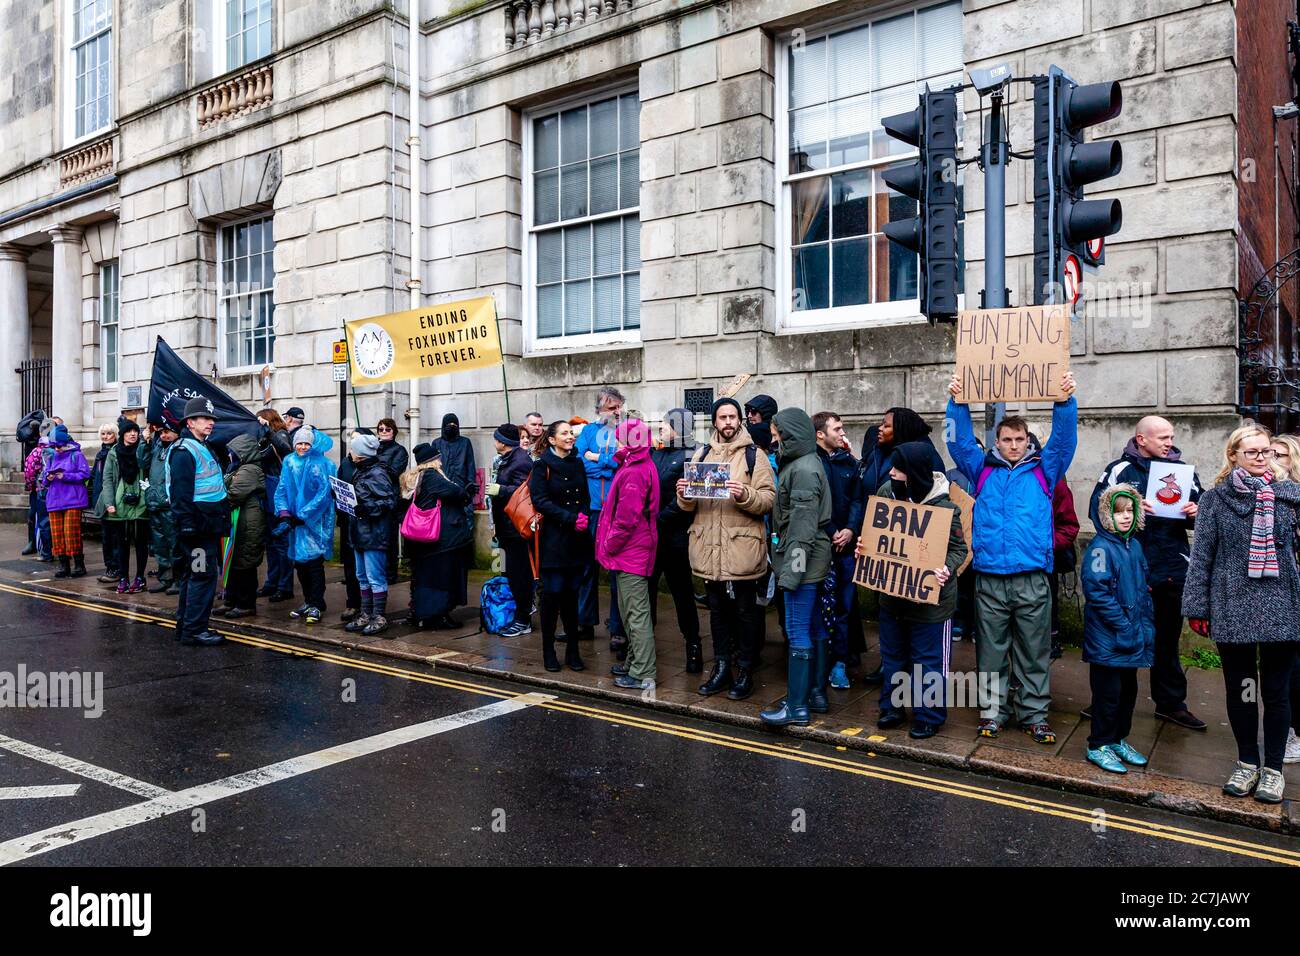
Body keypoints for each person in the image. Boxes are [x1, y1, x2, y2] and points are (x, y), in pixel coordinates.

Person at [946, 371, 1078, 744]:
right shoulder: (982, 468)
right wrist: (957, 403)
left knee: (1034, 651)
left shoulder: (1045, 471)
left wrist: (1065, 401)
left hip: (1032, 576)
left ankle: (1035, 714)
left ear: (1028, 441)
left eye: (1020, 439)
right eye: (1007, 439)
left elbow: (1064, 441)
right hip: (989, 577)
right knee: (990, 651)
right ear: (998, 442)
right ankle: (993, 711)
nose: (1014, 445)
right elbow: (958, 446)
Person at [1183, 424, 1300, 804]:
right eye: (1252, 452)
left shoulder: (1291, 496)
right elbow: (1201, 557)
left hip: (1282, 604)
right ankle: (1247, 761)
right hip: (1232, 604)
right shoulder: (1215, 500)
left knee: (1277, 692)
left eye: (1266, 451)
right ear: (1233, 455)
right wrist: (1198, 607)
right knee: (1243, 689)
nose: (1261, 458)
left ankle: (1274, 771)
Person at [1089, 416, 1206, 730]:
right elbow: (1097, 513)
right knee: (1118, 638)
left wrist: (1197, 512)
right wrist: (1129, 505)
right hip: (1128, 572)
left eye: (1171, 437)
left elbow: (1204, 512)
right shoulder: (1119, 470)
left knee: (1166, 643)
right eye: (1163, 438)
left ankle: (1170, 704)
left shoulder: (1183, 471)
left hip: (1170, 569)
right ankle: (1106, 703)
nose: (1170, 443)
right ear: (1141, 439)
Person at [679, 397, 776, 700]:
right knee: (717, 612)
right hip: (708, 548)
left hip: (741, 548)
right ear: (715, 421)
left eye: (733, 417)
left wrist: (745, 493)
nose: (729, 422)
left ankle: (745, 669)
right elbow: (689, 506)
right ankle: (721, 668)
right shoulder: (701, 454)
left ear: (740, 420)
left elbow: (768, 499)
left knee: (747, 612)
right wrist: (684, 494)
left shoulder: (754, 455)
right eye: (723, 417)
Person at [872, 441, 968, 737]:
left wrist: (947, 568)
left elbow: (959, 549)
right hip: (892, 597)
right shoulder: (887, 493)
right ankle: (892, 707)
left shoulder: (946, 507)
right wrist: (867, 546)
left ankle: (929, 715)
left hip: (932, 604)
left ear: (913, 473)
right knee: (893, 655)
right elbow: (877, 536)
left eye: (897, 468)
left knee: (928, 661)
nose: (891, 473)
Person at [761, 408, 833, 726]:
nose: (773, 438)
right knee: (815, 627)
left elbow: (802, 532)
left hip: (801, 560)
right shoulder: (803, 462)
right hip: (810, 558)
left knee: (797, 630)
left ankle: (796, 707)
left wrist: (791, 574)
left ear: (790, 435)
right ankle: (815, 694)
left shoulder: (802, 469)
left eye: (777, 433)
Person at [1080, 483, 1155, 774]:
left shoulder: (1133, 545)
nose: (1125, 516)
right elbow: (1098, 593)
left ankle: (1116, 739)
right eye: (1119, 511)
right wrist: (1124, 624)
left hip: (1132, 635)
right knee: (1107, 694)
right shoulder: (1101, 548)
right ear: (1106, 514)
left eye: (1130, 510)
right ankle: (1098, 744)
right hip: (1109, 637)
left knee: (1127, 691)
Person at [599, 419, 660, 691]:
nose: (615, 442)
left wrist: (610, 545)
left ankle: (643, 672)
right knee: (628, 612)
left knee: (636, 614)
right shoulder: (633, 464)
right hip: (631, 549)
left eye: (620, 438)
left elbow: (626, 518)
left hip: (630, 550)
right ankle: (635, 663)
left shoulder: (636, 471)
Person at [165, 397, 232, 646]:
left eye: (212, 419)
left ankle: (186, 626)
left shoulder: (203, 446)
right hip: (196, 530)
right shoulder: (185, 451)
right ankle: (194, 630)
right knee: (202, 576)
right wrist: (188, 526)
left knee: (193, 576)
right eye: (205, 418)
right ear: (190, 422)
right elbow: (180, 495)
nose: (211, 423)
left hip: (205, 527)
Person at [529, 421, 591, 672]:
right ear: (552, 440)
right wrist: (570, 519)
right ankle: (548, 651)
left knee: (571, 596)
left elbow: (585, 496)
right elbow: (540, 501)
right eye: (564, 433)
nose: (570, 437)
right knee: (552, 597)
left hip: (577, 540)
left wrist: (584, 516)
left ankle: (573, 651)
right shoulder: (541, 466)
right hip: (553, 541)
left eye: (571, 433)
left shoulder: (577, 463)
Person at [648, 408, 702, 673]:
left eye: (664, 426)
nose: (659, 430)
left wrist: (657, 519)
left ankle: (694, 648)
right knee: (646, 594)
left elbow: (688, 499)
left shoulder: (694, 455)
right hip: (650, 539)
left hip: (676, 536)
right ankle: (643, 649)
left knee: (682, 595)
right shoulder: (655, 453)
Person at [813, 411, 862, 691]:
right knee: (819, 608)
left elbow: (857, 499)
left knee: (843, 608)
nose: (842, 433)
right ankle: (818, 663)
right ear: (821, 434)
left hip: (846, 547)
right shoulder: (810, 462)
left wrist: (851, 530)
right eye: (837, 428)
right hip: (821, 546)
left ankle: (840, 664)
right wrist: (832, 530)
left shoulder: (848, 462)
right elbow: (814, 503)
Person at [575, 387, 626, 650]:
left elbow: (625, 462)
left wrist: (600, 460)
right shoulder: (587, 432)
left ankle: (618, 628)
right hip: (593, 508)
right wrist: (606, 463)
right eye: (612, 407)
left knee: (616, 571)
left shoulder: (627, 432)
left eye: (619, 407)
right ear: (599, 410)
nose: (617, 412)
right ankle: (584, 623)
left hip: (617, 510)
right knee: (586, 568)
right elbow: (580, 462)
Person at [403, 443, 472, 632]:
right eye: (438, 458)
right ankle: (436, 616)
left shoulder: (416, 477)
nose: (441, 460)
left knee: (425, 576)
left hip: (421, 539)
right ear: (433, 460)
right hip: (440, 539)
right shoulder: (433, 477)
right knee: (441, 578)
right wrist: (466, 491)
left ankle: (422, 613)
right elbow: (457, 492)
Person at [273, 425, 337, 625]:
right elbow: (282, 487)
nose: (302, 447)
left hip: (316, 522)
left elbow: (324, 494)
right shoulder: (289, 461)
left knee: (314, 565)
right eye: (299, 443)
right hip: (295, 521)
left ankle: (317, 603)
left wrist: (303, 515)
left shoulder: (324, 464)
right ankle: (309, 601)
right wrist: (284, 514)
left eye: (306, 443)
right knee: (300, 564)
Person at [337, 431, 395, 636]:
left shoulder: (377, 473)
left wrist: (367, 508)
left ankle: (378, 616)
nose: (350, 452)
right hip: (359, 531)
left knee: (374, 577)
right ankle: (366, 613)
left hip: (373, 533)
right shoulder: (360, 470)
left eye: (353, 449)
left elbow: (389, 502)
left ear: (361, 454)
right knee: (361, 576)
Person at [485, 423, 534, 636]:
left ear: (503, 442)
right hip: (506, 528)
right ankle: (519, 614)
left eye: (496, 438)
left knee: (519, 574)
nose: (494, 441)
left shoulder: (521, 460)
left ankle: (523, 619)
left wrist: (501, 489)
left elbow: (526, 491)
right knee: (512, 574)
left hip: (516, 528)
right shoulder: (509, 459)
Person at [430, 412, 477, 625]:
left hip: (462, 497)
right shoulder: (436, 442)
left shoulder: (465, 443)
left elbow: (470, 468)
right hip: (444, 500)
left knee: (463, 537)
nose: (451, 426)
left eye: (454, 424)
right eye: (447, 424)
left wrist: (469, 495)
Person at [217, 432, 269, 619]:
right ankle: (231, 600)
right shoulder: (238, 468)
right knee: (233, 561)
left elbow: (233, 495)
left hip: (248, 524)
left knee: (245, 563)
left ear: (242, 452)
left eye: (232, 452)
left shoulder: (249, 470)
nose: (229, 455)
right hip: (238, 522)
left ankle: (246, 604)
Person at [1272, 433, 1300, 764]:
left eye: (1280, 455)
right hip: (1280, 593)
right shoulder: (1268, 497)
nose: (1272, 460)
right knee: (1289, 667)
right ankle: (1291, 732)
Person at [99, 418, 151, 594]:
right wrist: (109, 502)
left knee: (141, 542)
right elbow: (107, 479)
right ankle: (123, 578)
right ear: (122, 434)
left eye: (135, 431)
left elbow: (146, 465)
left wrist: (145, 442)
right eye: (129, 431)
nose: (133, 434)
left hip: (141, 500)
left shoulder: (143, 449)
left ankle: (139, 578)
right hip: (120, 502)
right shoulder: (114, 453)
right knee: (122, 543)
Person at [858, 407, 946, 509]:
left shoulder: (925, 456)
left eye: (886, 426)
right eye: (881, 424)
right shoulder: (876, 452)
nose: (880, 428)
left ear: (901, 430)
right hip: (870, 520)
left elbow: (935, 496)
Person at [41, 424, 91, 579]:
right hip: (55, 500)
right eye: (54, 446)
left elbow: (85, 474)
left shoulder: (77, 455)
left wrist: (66, 476)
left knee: (71, 533)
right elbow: (43, 481)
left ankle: (79, 565)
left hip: (73, 500)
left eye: (59, 446)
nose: (56, 449)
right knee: (57, 535)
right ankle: (63, 565)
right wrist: (47, 478)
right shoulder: (51, 457)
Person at [256, 409, 295, 603]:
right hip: (267, 493)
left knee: (281, 543)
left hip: (279, 493)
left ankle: (285, 586)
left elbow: (286, 451)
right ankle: (272, 582)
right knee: (271, 542)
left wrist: (268, 431)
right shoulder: (263, 437)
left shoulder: (280, 434)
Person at [141, 423, 182, 594]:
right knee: (160, 545)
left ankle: (178, 580)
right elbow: (142, 461)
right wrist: (145, 442)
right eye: (162, 432)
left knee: (175, 545)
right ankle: (165, 578)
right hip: (154, 502)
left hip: (169, 504)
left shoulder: (179, 448)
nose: (164, 435)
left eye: (168, 432)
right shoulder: (156, 446)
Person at [335, 427, 368, 623]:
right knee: (350, 567)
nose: (354, 444)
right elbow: (338, 484)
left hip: (366, 523)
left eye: (358, 440)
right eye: (352, 439)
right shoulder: (346, 464)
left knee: (367, 568)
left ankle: (368, 605)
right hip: (348, 521)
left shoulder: (372, 465)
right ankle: (353, 603)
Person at [1048, 476, 1080, 660]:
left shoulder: (1053, 479)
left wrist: (1048, 544)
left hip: (1044, 560)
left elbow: (1068, 525)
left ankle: (1051, 641)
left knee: (1048, 603)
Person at [88, 422, 120, 580]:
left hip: (112, 501)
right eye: (103, 434)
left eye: (109, 433)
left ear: (115, 435)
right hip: (100, 499)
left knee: (114, 537)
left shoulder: (116, 452)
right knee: (106, 537)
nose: (106, 436)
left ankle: (115, 569)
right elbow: (94, 477)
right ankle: (110, 567)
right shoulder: (100, 453)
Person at [23, 437, 53, 563]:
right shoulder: (58, 450)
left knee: (42, 520)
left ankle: (45, 552)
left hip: (41, 489)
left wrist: (30, 487)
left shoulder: (37, 451)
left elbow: (29, 471)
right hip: (58, 490)